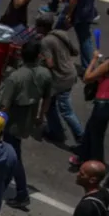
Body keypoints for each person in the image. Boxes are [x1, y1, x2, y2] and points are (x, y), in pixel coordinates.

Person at [0, 39, 51, 211]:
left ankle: (22, 193)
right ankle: (2, 183)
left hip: (13, 120)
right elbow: (47, 97)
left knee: (13, 156)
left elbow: (4, 105)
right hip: (29, 119)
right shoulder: (45, 74)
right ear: (38, 56)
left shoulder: (15, 77)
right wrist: (40, 116)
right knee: (9, 151)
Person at [73, 36, 109, 167]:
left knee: (96, 135)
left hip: (103, 103)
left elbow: (87, 78)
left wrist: (94, 59)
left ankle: (96, 164)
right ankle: (82, 155)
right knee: (92, 128)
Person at [36, 14, 83, 146]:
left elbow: (50, 64)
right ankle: (56, 132)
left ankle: (81, 137)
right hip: (71, 73)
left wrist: (42, 59)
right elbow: (75, 52)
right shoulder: (61, 34)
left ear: (42, 27)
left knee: (66, 110)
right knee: (51, 106)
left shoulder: (45, 41)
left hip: (61, 78)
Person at [66, 0, 98, 72]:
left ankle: (88, 67)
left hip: (80, 12)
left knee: (85, 41)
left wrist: (69, 14)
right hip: (88, 10)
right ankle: (87, 67)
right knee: (86, 39)